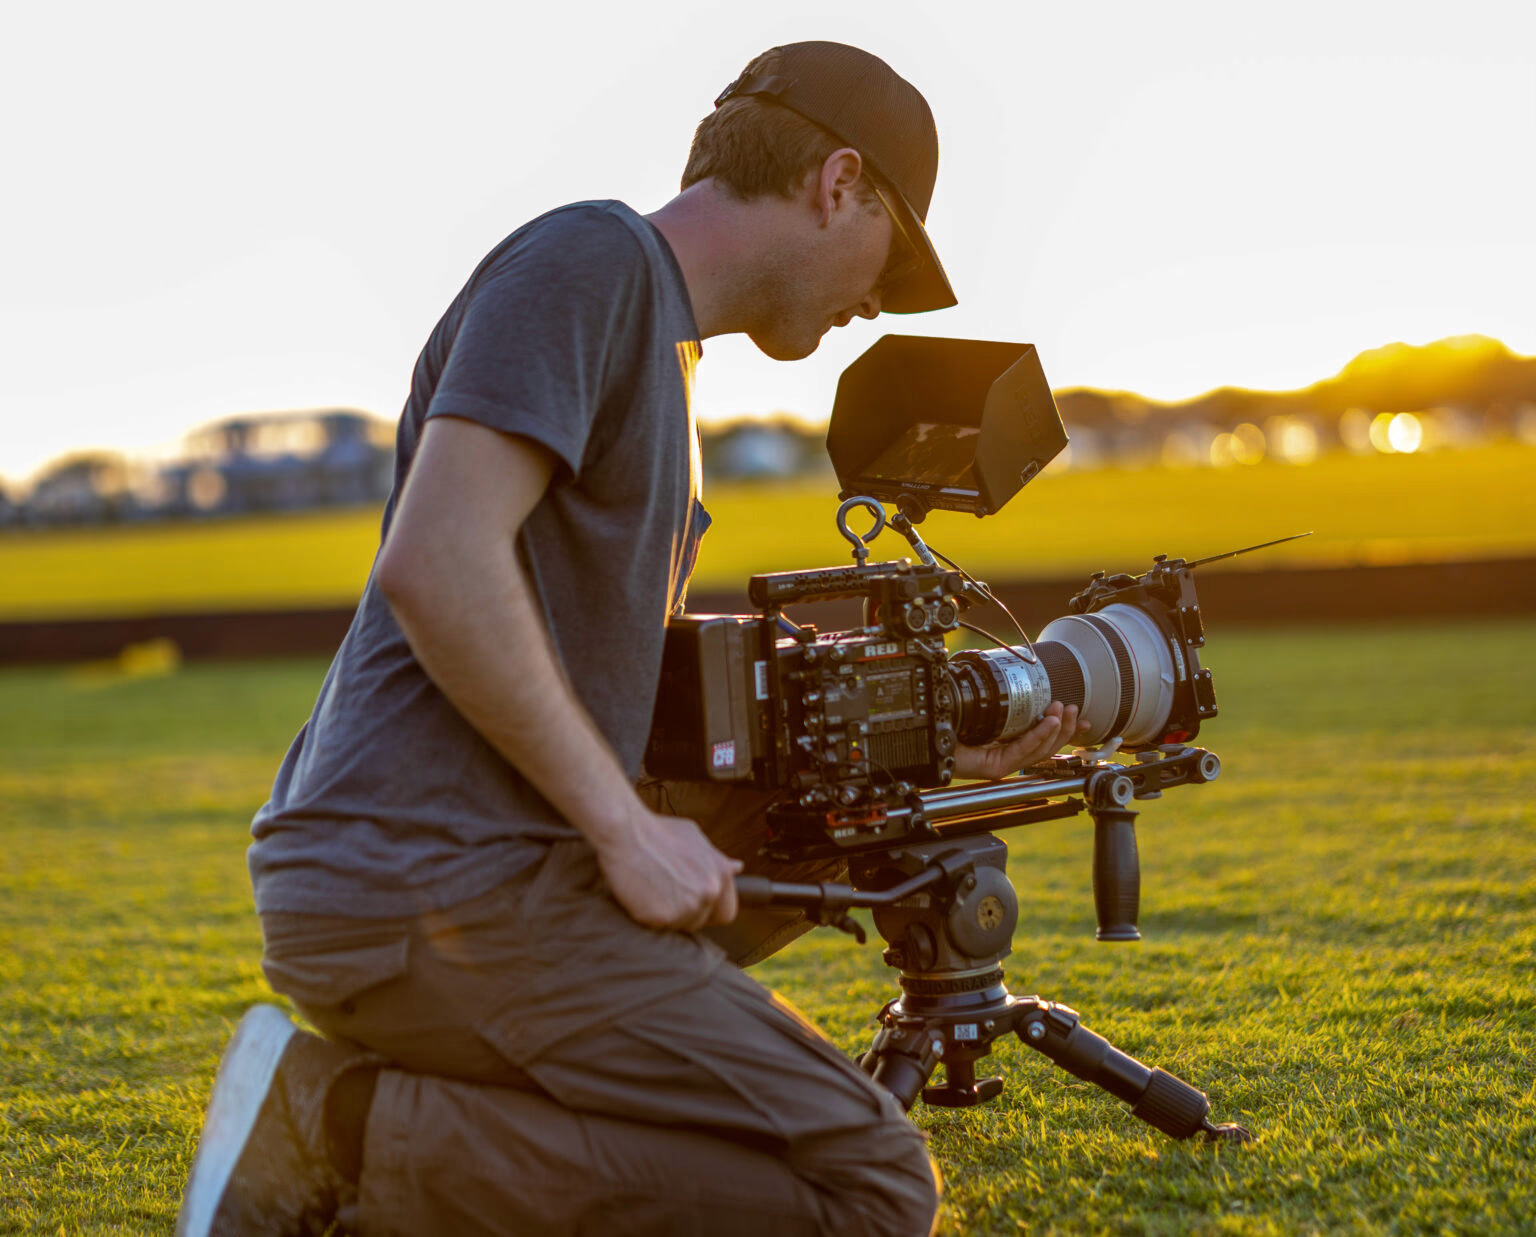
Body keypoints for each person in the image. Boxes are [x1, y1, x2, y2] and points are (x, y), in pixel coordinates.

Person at [176, 40, 1082, 1237]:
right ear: (837, 182)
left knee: (793, 1051)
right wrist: (619, 827)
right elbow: (439, 562)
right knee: (868, 1185)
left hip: (479, 869)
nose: (876, 298)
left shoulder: (665, 348)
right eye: (893, 257)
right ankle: (338, 1138)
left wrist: (916, 747)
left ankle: (392, 1122)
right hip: (430, 873)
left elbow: (631, 675)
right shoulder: (592, 261)